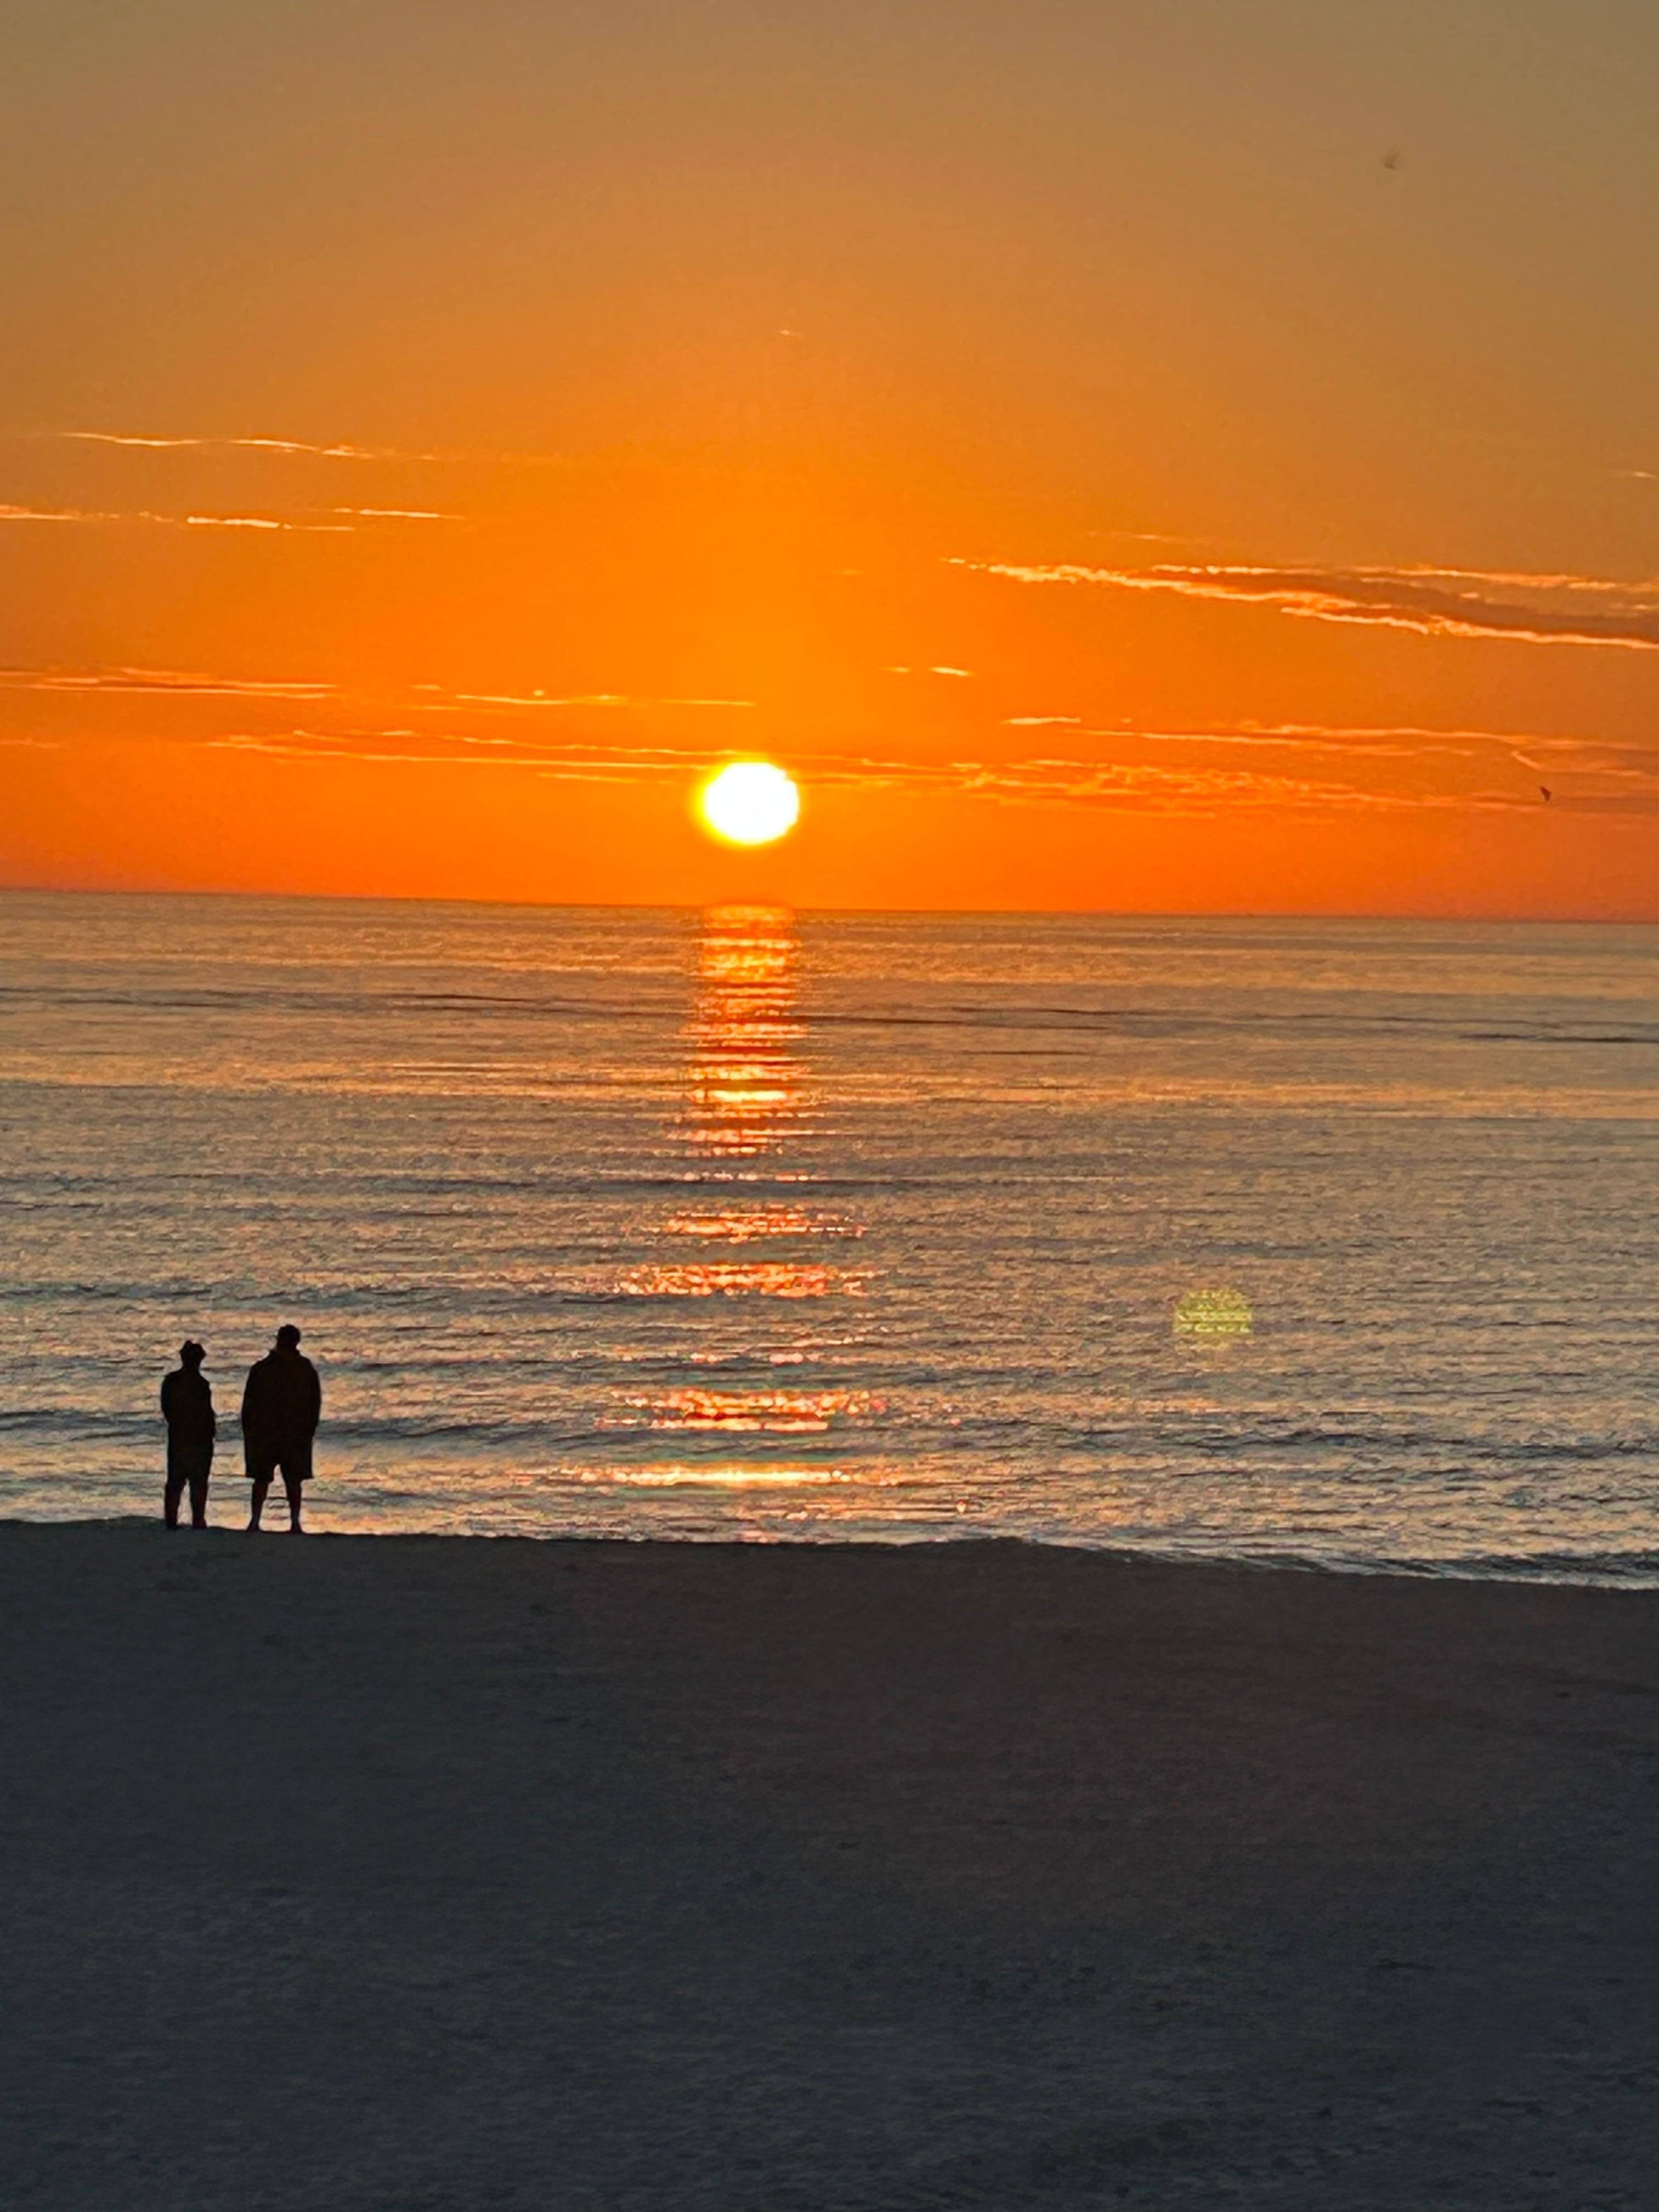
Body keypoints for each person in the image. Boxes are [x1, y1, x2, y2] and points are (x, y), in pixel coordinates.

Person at [241, 1324, 321, 1534]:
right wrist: (309, 1429)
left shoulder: (263, 1369)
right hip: (291, 1433)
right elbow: (315, 1403)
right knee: (291, 1481)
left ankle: (257, 1521)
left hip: (269, 1433)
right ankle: (292, 1523)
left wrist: (249, 1431)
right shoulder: (303, 1369)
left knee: (265, 1480)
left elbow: (248, 1405)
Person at [160, 1341, 216, 1528]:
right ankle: (197, 1520)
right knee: (197, 1481)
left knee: (177, 1481)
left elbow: (167, 1409)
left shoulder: (172, 1382)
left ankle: (172, 1520)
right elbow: (206, 1413)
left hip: (180, 1435)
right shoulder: (200, 1385)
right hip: (197, 1438)